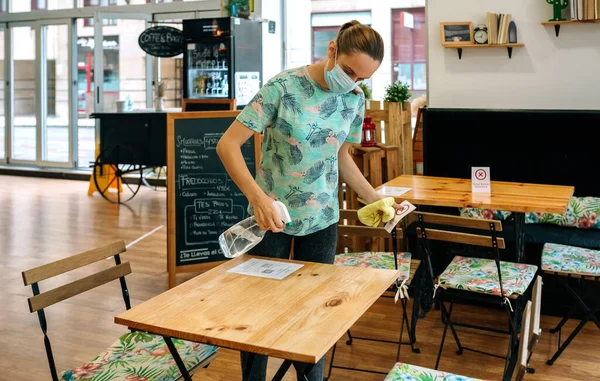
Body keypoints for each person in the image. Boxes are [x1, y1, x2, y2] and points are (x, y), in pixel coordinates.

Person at [216, 19, 402, 381]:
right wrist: (258, 199)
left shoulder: (353, 99)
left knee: (314, 314)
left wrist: (376, 199)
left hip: (322, 222)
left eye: (362, 78)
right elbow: (227, 145)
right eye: (349, 71)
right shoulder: (284, 88)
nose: (352, 82)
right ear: (332, 49)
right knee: (258, 313)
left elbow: (341, 158)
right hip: (271, 220)